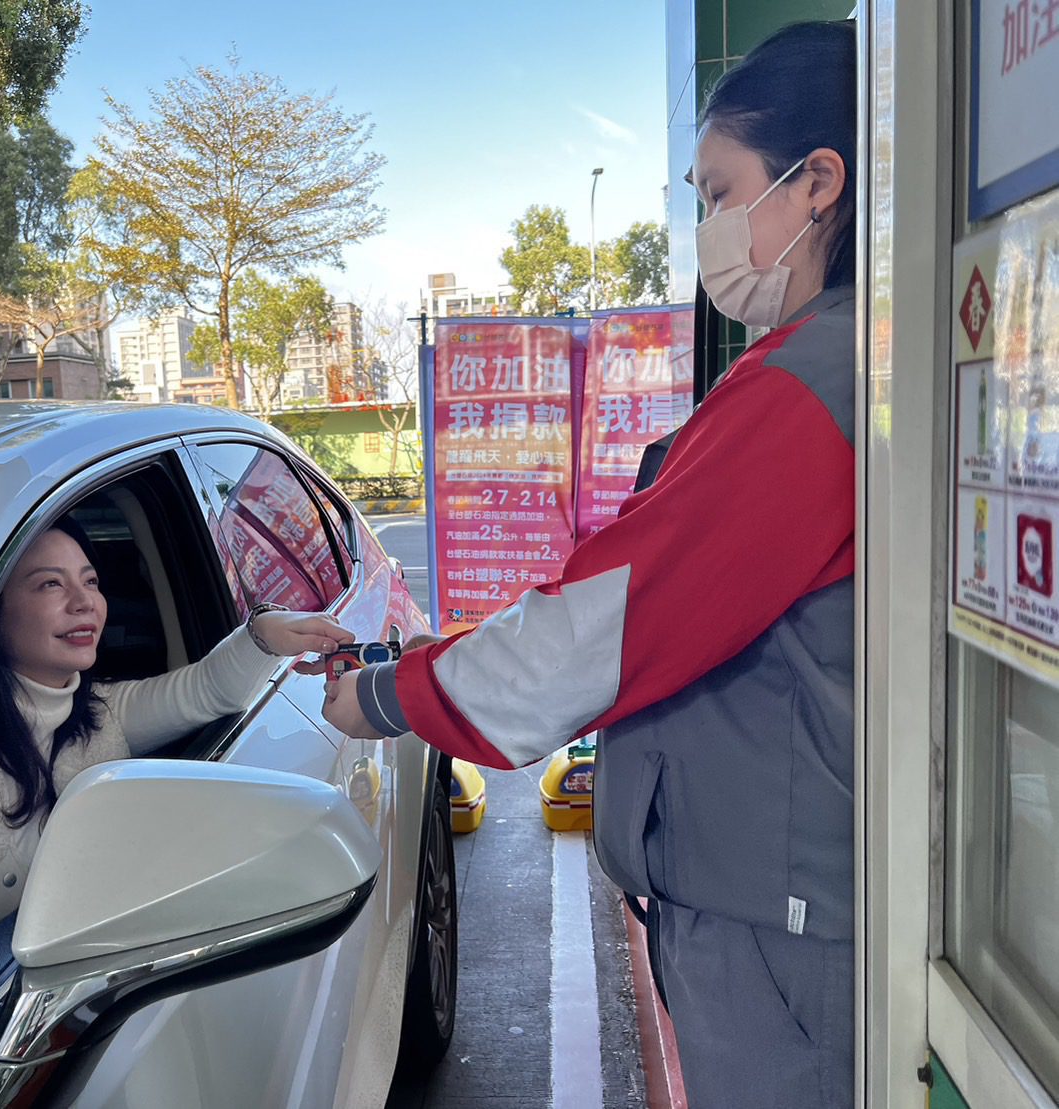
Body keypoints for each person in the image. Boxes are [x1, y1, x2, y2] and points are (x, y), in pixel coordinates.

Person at [317, 20, 858, 1106]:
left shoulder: (806, 391)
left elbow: (596, 628)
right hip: (792, 902)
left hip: (785, 935)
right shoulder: (845, 364)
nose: (708, 225)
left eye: (718, 192)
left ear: (815, 185)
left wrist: (380, 691)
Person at [0, 516, 352, 932]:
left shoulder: (103, 711)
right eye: (51, 584)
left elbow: (209, 689)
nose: (84, 603)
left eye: (91, 582)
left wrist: (262, 631)